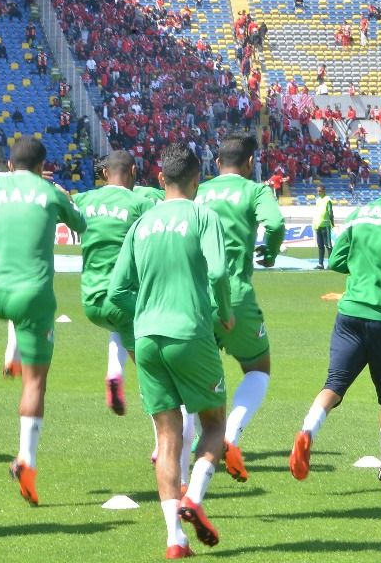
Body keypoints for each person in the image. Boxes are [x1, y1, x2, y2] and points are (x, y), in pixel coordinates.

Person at [107, 143, 232, 558]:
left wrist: (144, 313)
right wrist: (224, 313)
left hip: (146, 339)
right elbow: (218, 271)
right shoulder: (202, 216)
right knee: (214, 424)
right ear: (198, 181)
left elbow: (116, 292)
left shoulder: (141, 223)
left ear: (160, 179)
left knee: (166, 437)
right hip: (189, 333)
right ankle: (193, 497)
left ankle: (175, 539)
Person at [289, 153, 381, 484]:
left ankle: (307, 432)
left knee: (334, 384)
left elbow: (337, 260)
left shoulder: (358, 214)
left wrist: (365, 272)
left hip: (349, 314)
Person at [0, 138, 87, 505]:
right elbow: (81, 223)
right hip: (32, 296)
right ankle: (26, 461)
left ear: (9, 164)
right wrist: (58, 192)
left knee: (17, 315)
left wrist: (7, 179)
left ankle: (12, 349)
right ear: (42, 167)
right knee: (35, 383)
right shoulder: (50, 193)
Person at [193, 133, 285, 483]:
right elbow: (275, 224)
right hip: (235, 295)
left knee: (191, 374)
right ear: (250, 163)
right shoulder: (256, 191)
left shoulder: (198, 190)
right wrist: (270, 252)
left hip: (194, 297)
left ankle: (185, 446)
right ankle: (229, 435)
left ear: (217, 163)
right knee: (258, 367)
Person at [72, 151, 156, 417]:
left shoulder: (83, 199)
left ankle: (115, 372)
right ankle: (173, 437)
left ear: (105, 173)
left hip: (91, 301)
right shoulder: (141, 204)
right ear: (133, 171)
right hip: (127, 301)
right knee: (157, 375)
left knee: (117, 324)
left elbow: (59, 204)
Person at [313, 184, 335, 270]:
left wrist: (332, 223)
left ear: (324, 191)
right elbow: (317, 213)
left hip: (325, 225)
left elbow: (330, 212)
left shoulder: (327, 200)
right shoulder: (318, 200)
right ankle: (320, 264)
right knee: (320, 246)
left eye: (320, 191)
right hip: (318, 225)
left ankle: (331, 264)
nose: (318, 193)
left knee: (328, 246)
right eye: (318, 191)